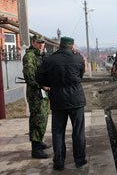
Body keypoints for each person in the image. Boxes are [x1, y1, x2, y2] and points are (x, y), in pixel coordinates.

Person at [36, 37, 87, 171]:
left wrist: (50, 83)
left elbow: (39, 77)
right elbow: (81, 74)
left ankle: (59, 161)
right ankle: (80, 159)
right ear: (71, 46)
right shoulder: (78, 58)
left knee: (58, 132)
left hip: (58, 99)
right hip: (76, 99)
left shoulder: (49, 60)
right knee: (78, 131)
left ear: (59, 46)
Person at [22, 35, 50, 159]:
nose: (41, 44)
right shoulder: (30, 56)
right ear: (33, 42)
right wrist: (42, 86)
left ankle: (39, 141)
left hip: (42, 93)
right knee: (37, 119)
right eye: (38, 42)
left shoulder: (40, 56)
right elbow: (29, 75)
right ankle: (36, 149)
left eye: (42, 42)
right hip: (36, 93)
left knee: (42, 119)